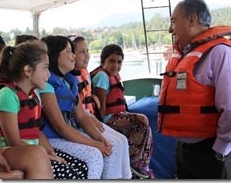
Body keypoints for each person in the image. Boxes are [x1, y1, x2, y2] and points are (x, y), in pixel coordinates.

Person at [157, 0, 231, 179]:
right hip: (183, 149)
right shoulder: (183, 55)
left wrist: (219, 152)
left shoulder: (221, 53)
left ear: (192, 20)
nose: (170, 28)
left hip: (211, 150)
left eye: (173, 21)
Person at [39, 35, 128, 179]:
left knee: (110, 146)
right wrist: (94, 144)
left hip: (68, 133)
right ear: (55, 55)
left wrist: (100, 139)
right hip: (53, 138)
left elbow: (81, 116)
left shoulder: (70, 81)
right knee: (94, 155)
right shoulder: (47, 85)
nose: (73, 55)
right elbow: (60, 127)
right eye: (68, 51)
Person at [0, 41, 88, 179]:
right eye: (45, 68)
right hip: (10, 151)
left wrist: (52, 154)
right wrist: (45, 156)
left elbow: (37, 132)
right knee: (49, 162)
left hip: (32, 150)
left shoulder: (33, 96)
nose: (49, 74)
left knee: (80, 167)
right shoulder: (8, 95)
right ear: (28, 70)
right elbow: (14, 141)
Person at [70, 35, 132, 179]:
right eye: (82, 52)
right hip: (79, 123)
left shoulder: (81, 75)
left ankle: (127, 177)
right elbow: (77, 116)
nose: (87, 56)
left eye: (88, 51)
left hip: (89, 118)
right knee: (111, 146)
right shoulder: (68, 80)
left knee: (121, 140)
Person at [90, 43, 155, 179]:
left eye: (119, 62)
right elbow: (101, 107)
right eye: (111, 61)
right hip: (107, 119)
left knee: (147, 129)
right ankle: (133, 160)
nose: (116, 65)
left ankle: (143, 164)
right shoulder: (102, 76)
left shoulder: (115, 76)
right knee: (142, 120)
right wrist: (102, 129)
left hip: (117, 116)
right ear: (103, 61)